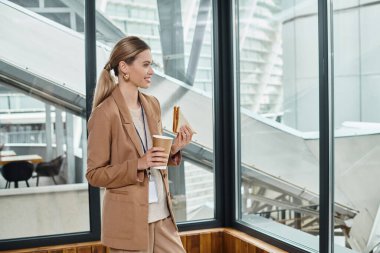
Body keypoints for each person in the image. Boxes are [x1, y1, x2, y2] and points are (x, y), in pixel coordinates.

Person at [86, 36, 192, 253]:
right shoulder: (104, 114)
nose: (151, 70)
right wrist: (138, 164)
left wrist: (173, 149)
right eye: (145, 64)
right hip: (129, 224)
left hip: (162, 217)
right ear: (124, 67)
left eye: (150, 64)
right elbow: (94, 174)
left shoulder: (151, 104)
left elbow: (153, 156)